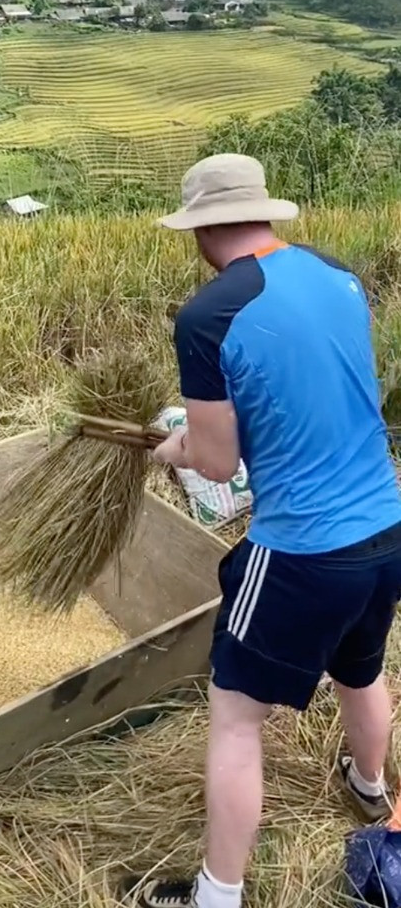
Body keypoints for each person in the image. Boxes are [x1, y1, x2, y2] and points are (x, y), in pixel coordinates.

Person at [121, 153, 401, 908]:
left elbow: (213, 464)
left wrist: (170, 444)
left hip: (303, 552)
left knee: (237, 718)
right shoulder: (337, 275)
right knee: (361, 669)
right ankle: (370, 787)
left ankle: (217, 896)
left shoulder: (209, 315)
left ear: (202, 229)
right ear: (264, 214)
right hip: (385, 528)